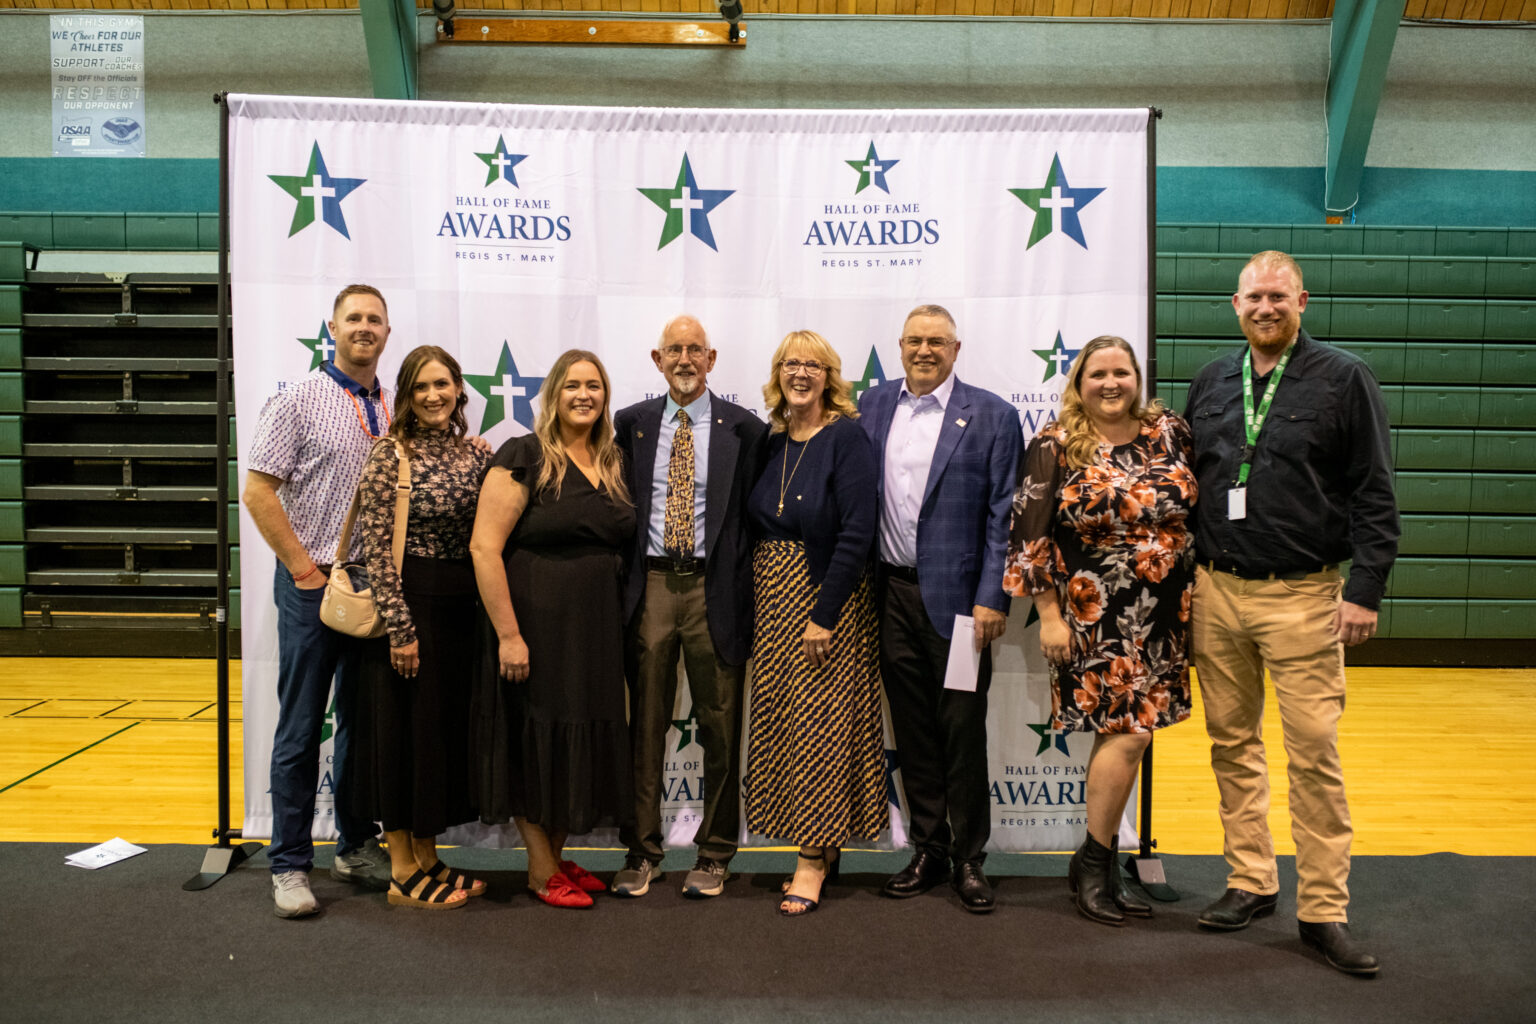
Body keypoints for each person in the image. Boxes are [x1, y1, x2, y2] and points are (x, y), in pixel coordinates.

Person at [1186, 250, 1398, 975]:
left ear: (1301, 302)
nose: (1266, 308)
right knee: (1232, 745)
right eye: (1254, 298)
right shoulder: (1212, 381)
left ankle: (1323, 910)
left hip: (1304, 595)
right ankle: (1250, 879)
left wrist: (1365, 588)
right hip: (1216, 592)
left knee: (1313, 754)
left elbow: (1374, 489)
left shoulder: (1344, 378)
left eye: (1279, 296)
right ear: (1235, 305)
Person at [1003, 335, 1197, 926]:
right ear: (1079, 383)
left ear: (1137, 378)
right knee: (1129, 734)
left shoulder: (1170, 431)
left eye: (1121, 372)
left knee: (1128, 735)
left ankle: (1101, 864)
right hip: (1095, 615)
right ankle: (1093, 865)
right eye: (1098, 374)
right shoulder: (1056, 443)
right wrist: (1050, 615)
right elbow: (1030, 536)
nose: (1111, 384)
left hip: (1164, 615)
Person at [858, 303, 1022, 914]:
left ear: (956, 349)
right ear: (900, 347)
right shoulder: (872, 405)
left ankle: (970, 858)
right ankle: (928, 848)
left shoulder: (993, 415)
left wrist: (991, 597)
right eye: (914, 341)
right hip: (889, 597)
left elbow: (1003, 516)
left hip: (960, 607)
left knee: (961, 731)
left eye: (937, 342)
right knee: (914, 732)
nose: (924, 351)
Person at [242, 284, 394, 918]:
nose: (364, 327)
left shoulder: (396, 406)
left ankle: (355, 846)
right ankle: (289, 864)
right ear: (332, 328)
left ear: (387, 332)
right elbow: (257, 490)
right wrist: (303, 568)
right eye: (353, 317)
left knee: (363, 724)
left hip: (375, 588)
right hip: (313, 584)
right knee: (302, 727)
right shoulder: (296, 400)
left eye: (374, 319)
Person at [469, 349, 637, 909]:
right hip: (535, 625)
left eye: (594, 385)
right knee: (533, 740)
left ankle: (556, 857)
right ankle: (541, 870)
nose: (583, 395)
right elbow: (484, 548)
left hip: (595, 633)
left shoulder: (613, 460)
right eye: (572, 385)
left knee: (574, 742)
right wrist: (509, 636)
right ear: (553, 395)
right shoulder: (525, 454)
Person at [611, 316, 767, 899]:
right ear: (657, 360)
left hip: (715, 590)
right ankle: (642, 851)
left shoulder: (746, 430)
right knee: (645, 726)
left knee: (721, 726)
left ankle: (716, 852)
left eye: (694, 349)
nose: (684, 359)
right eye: (673, 350)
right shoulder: (630, 425)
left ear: (711, 358)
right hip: (650, 585)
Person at [743, 330, 884, 917]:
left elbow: (857, 531)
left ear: (830, 377)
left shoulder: (846, 437)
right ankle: (819, 844)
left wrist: (823, 614)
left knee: (820, 730)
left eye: (813, 365)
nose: (800, 373)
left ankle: (811, 860)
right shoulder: (772, 440)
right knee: (788, 727)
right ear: (778, 373)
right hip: (772, 605)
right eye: (790, 363)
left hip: (824, 600)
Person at [351, 346, 492, 910]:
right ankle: (402, 870)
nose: (434, 396)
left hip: (459, 612)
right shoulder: (389, 454)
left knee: (436, 739)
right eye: (421, 387)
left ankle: (429, 857)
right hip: (410, 609)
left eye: (442, 384)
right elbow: (375, 548)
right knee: (403, 738)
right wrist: (400, 628)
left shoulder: (471, 453)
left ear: (458, 388)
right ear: (407, 396)